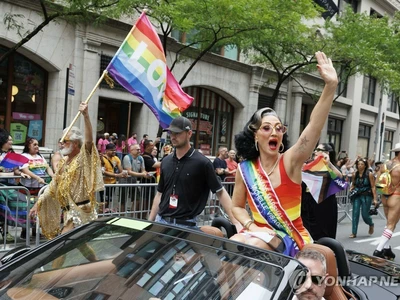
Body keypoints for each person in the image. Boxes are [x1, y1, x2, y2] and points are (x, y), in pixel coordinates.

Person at [230, 51, 338, 256]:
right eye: (266, 128)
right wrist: (251, 227)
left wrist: (330, 87)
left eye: (279, 128)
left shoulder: (290, 161)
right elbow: (236, 207)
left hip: (292, 240)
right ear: (254, 135)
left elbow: (314, 126)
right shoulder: (244, 170)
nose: (274, 132)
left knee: (251, 247)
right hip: (258, 235)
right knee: (232, 243)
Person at [148, 116, 239, 230]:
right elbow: (160, 193)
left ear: (189, 133)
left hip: (185, 225)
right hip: (160, 221)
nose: (173, 136)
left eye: (177, 133)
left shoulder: (203, 163)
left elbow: (220, 192)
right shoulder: (165, 161)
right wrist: (150, 222)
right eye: (171, 132)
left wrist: (236, 222)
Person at [29, 103, 104, 240]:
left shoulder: (82, 158)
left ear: (75, 143)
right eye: (61, 141)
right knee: (83, 249)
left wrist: (86, 115)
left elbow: (88, 142)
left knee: (60, 246)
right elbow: (52, 187)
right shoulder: (63, 162)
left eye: (65, 141)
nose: (61, 144)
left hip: (82, 211)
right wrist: (36, 205)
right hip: (69, 212)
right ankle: (99, 262)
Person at [301, 143, 343, 240]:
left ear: (327, 153)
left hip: (324, 206)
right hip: (307, 204)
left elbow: (339, 178)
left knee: (323, 236)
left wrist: (328, 163)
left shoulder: (330, 167)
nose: (316, 151)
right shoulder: (307, 165)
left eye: (319, 149)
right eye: (316, 149)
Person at [0, 129, 29, 242]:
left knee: (20, 202)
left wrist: (21, 173)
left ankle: (13, 231)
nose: (11, 142)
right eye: (9, 140)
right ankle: (5, 233)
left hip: (10, 185)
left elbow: (16, 170)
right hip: (1, 186)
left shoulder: (12, 155)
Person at [372, 143, 400, 260]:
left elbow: (377, 182)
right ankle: (378, 250)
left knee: (388, 223)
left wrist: (375, 198)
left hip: (385, 196)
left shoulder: (385, 164)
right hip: (396, 196)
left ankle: (387, 249)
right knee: (391, 224)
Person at [349, 158, 376, 238]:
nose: (360, 166)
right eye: (358, 164)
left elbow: (373, 187)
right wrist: (352, 188)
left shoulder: (369, 174)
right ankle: (354, 232)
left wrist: (375, 199)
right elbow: (353, 184)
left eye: (362, 164)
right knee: (355, 213)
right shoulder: (355, 174)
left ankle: (371, 224)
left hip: (366, 196)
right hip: (357, 195)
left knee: (365, 214)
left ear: (365, 166)